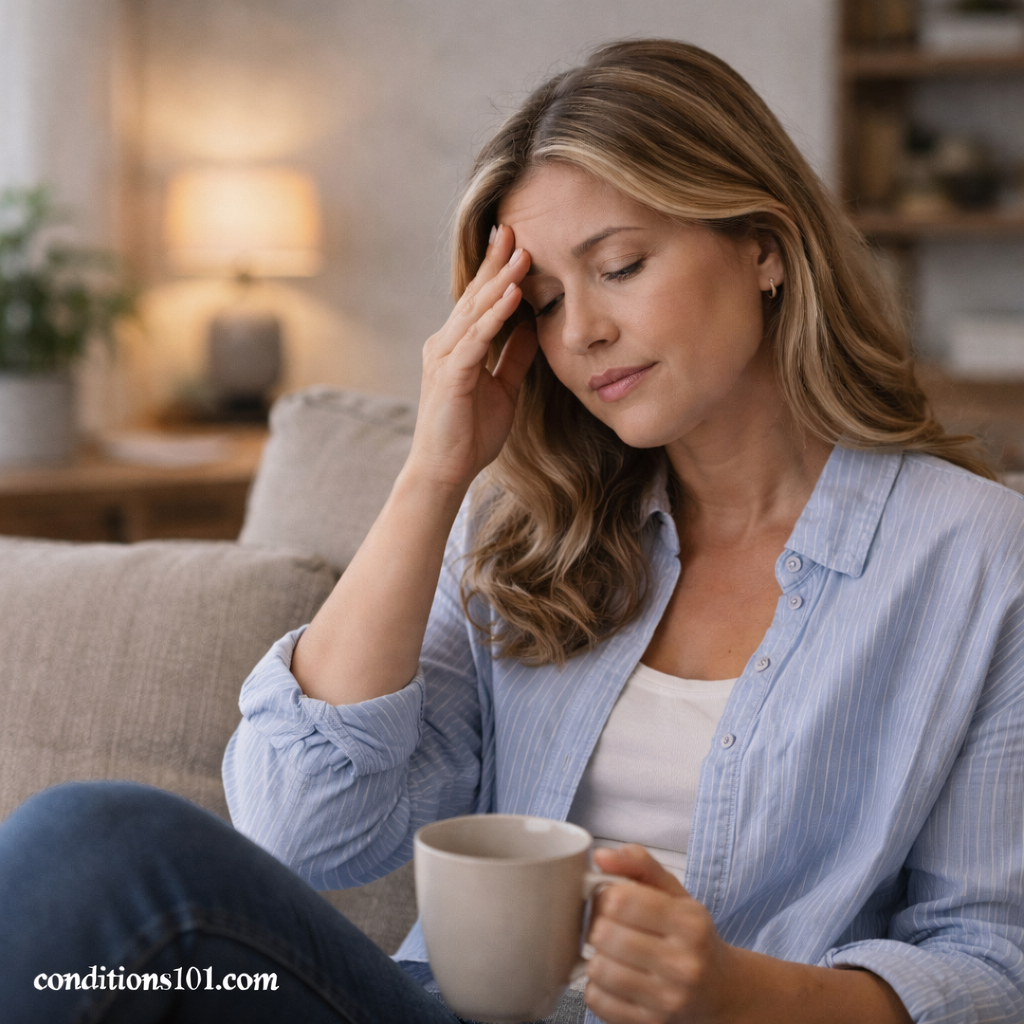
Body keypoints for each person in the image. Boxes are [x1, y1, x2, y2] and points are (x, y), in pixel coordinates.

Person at [1, 38, 1022, 1024]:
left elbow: (992, 965)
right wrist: (434, 472)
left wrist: (733, 994)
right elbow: (298, 829)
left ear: (763, 245)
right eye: (539, 301)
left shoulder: (975, 555)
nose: (579, 334)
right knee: (92, 848)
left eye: (618, 265)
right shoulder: (526, 530)